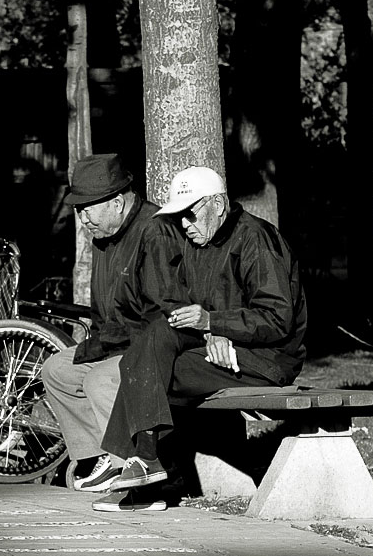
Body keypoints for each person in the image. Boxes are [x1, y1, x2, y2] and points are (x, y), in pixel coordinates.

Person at [96, 165, 308, 512]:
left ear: (219, 205)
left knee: (151, 370)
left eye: (191, 215)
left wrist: (216, 323)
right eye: (180, 217)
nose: (185, 225)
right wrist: (212, 330)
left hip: (268, 358)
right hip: (222, 348)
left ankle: (148, 470)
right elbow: (192, 308)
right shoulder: (200, 240)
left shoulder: (256, 239)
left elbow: (278, 319)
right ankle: (146, 463)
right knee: (153, 344)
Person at [40, 154, 181, 496]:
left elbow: (165, 314)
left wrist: (116, 345)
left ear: (117, 202)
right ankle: (102, 456)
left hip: (155, 348)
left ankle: (133, 470)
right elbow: (107, 309)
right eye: (78, 210)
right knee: (57, 371)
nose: (81, 218)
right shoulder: (105, 235)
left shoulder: (155, 232)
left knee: (100, 379)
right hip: (118, 341)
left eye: (87, 209)